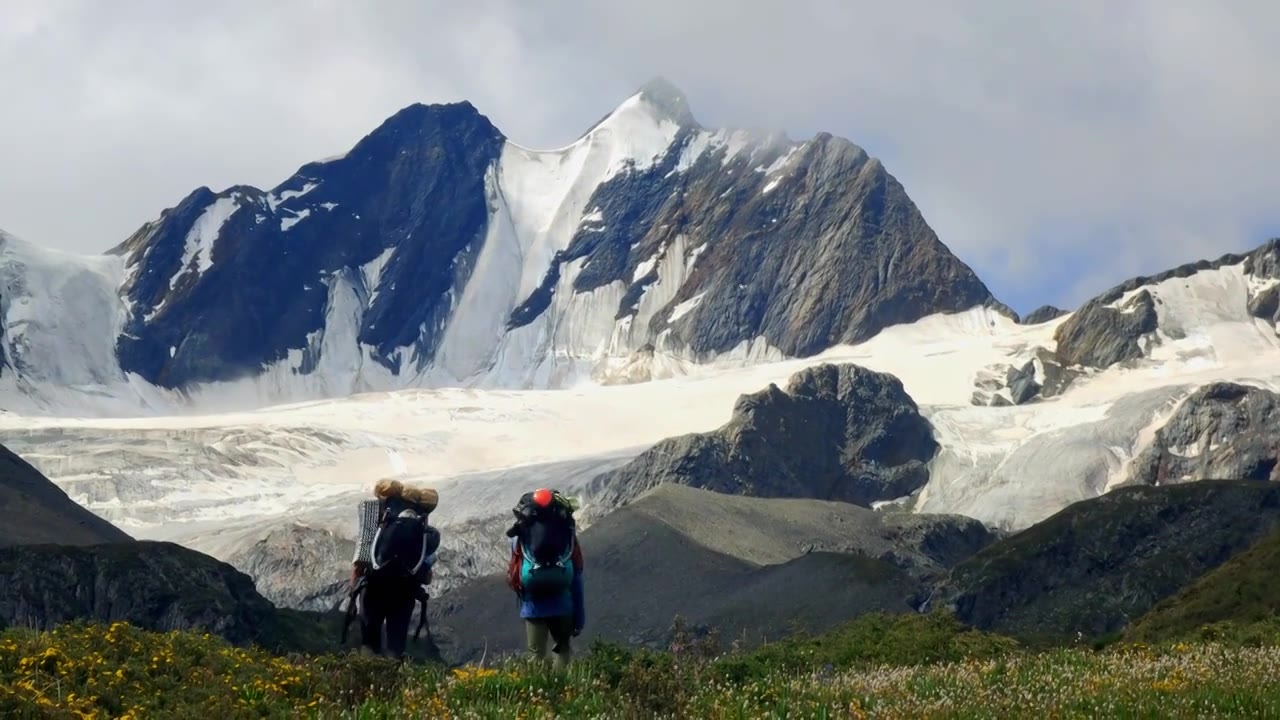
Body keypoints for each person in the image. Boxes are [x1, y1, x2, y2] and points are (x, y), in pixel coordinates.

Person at [346, 479, 440, 660]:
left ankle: (366, 679)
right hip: (404, 592)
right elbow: (426, 576)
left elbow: (362, 557)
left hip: (373, 586)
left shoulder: (377, 515)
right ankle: (393, 678)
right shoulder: (423, 526)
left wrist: (354, 586)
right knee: (395, 644)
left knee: (369, 642)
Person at [505, 487, 584, 671]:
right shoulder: (566, 535)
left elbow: (515, 570)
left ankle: (539, 695)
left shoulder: (519, 538)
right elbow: (577, 578)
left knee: (536, 656)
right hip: (563, 605)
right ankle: (563, 690)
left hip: (533, 607)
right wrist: (579, 620)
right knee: (562, 649)